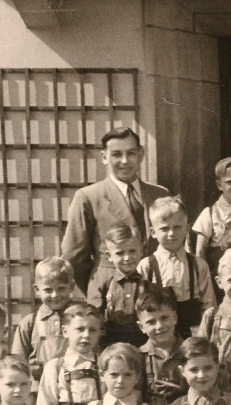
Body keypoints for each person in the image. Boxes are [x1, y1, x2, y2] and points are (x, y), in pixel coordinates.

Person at [61, 126, 169, 294]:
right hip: (110, 291)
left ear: (141, 154)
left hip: (155, 289)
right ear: (104, 157)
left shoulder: (160, 194)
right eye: (117, 154)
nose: (125, 161)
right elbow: (73, 256)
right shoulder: (88, 197)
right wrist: (95, 289)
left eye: (131, 153)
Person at [138, 195, 216, 338]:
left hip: (192, 333)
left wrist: (202, 336)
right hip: (159, 332)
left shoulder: (198, 265)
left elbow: (209, 307)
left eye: (177, 227)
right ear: (153, 232)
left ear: (187, 228)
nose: (171, 233)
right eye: (164, 228)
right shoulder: (146, 266)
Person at [11, 257, 74, 388]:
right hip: (39, 389)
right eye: (48, 290)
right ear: (36, 290)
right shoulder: (29, 323)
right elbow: (17, 362)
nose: (55, 295)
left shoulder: (79, 319)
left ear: (71, 287)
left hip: (73, 387)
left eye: (61, 288)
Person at [88, 224, 154, 348]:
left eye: (132, 251)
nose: (127, 257)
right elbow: (94, 320)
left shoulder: (149, 287)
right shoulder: (104, 287)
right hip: (112, 348)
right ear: (109, 256)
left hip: (142, 347)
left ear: (141, 251)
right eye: (119, 253)